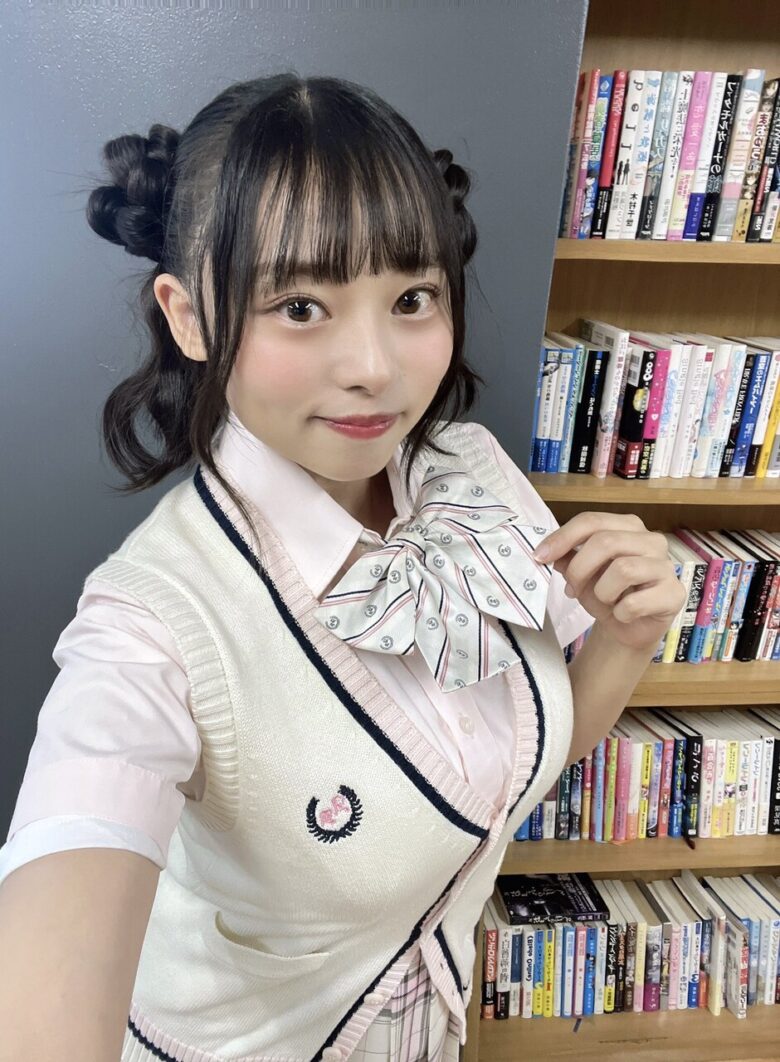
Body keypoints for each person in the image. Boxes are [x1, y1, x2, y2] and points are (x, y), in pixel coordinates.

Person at [0, 73, 685, 1062]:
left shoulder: (473, 474)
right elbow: (73, 861)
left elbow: (508, 770)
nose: (374, 366)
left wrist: (624, 638)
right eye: (300, 305)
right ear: (188, 317)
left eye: (411, 298)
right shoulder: (151, 621)